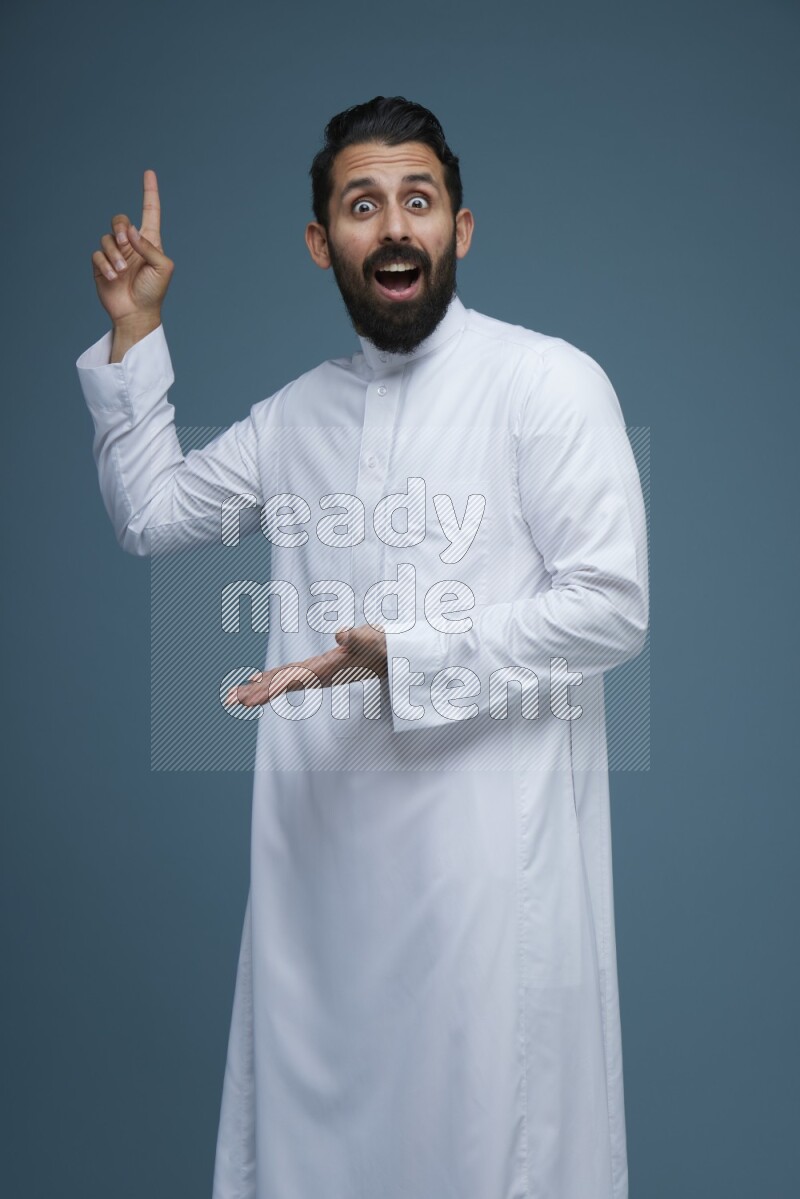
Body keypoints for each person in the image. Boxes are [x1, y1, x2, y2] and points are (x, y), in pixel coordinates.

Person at [76, 96, 648, 1199]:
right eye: (362, 204)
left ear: (459, 228)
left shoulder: (545, 382)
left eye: (417, 201)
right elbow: (149, 512)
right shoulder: (296, 417)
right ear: (320, 241)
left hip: (487, 885)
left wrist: (404, 654)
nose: (393, 226)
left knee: (489, 1145)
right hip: (319, 889)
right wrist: (137, 331)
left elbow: (611, 605)